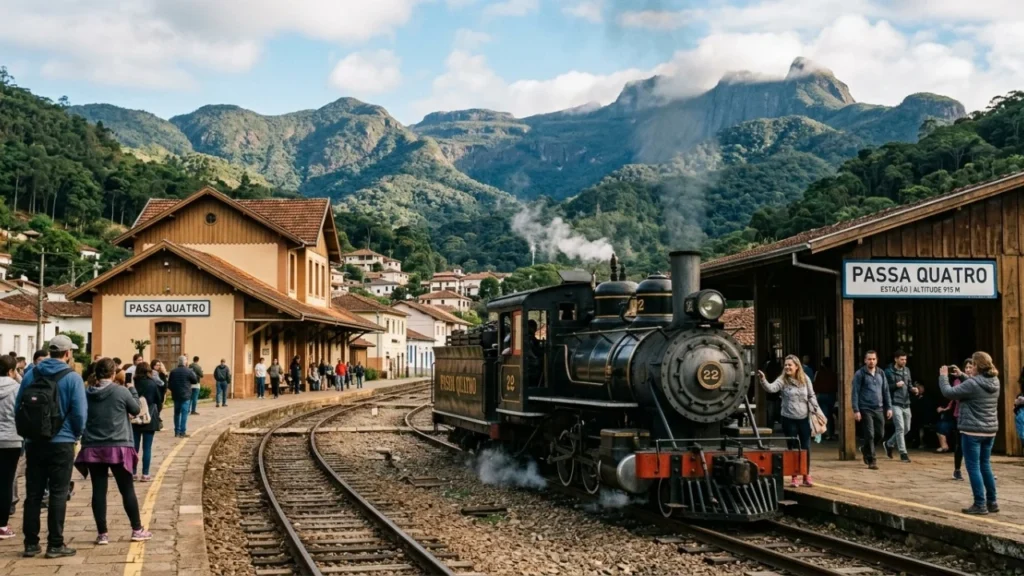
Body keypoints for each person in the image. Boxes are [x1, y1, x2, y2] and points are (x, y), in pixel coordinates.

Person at [14, 334, 87, 558]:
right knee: (58, 493)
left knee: (33, 494)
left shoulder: (31, 374)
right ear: (67, 354)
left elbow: (19, 406)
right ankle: (55, 544)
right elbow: (79, 413)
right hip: (62, 442)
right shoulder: (72, 378)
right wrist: (75, 434)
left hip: (35, 442)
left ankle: (30, 543)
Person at [73, 358, 151, 544]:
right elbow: (136, 409)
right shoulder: (121, 391)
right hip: (118, 445)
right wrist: (131, 388)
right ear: (113, 373)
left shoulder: (86, 393)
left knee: (98, 491)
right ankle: (137, 529)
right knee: (126, 490)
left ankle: (102, 534)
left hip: (93, 446)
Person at [939, 352, 1000, 515]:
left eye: (972, 365)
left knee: (973, 467)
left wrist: (943, 377)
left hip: (972, 431)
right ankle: (992, 502)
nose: (970, 367)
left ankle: (980, 504)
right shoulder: (995, 381)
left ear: (977, 366)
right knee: (985, 465)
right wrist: (962, 375)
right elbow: (976, 385)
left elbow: (948, 392)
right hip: (990, 431)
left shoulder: (972, 384)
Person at [758, 354, 823, 487]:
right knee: (792, 447)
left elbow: (811, 395)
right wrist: (763, 380)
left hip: (804, 418)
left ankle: (806, 474)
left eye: (790, 365)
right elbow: (771, 388)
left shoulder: (805, 379)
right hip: (788, 418)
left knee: (806, 447)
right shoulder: (782, 380)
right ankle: (794, 476)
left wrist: (816, 410)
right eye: (786, 365)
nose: (787, 367)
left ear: (797, 366)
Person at [851, 350, 892, 470]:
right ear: (865, 360)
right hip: (865, 407)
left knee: (880, 433)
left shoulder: (881, 373)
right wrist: (856, 409)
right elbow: (855, 393)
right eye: (869, 359)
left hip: (878, 408)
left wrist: (889, 407)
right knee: (870, 434)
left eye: (873, 359)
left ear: (877, 360)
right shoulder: (860, 374)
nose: (871, 361)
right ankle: (872, 459)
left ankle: (865, 449)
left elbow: (886, 391)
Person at [0, 355, 23, 539]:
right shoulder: (17, 388)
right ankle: (2, 524)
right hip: (11, 439)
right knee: (6, 482)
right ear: (10, 371)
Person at [884, 350, 916, 463]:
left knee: (907, 428)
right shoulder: (888, 372)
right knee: (900, 428)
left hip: (906, 402)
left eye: (905, 359)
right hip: (894, 402)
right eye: (902, 359)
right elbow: (885, 388)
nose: (904, 361)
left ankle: (889, 443)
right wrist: (895, 385)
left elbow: (909, 384)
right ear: (896, 359)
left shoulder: (907, 370)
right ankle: (903, 453)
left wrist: (913, 389)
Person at [131, 362, 162, 482]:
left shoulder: (133, 384)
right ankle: (145, 474)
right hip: (149, 418)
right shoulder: (152, 384)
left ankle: (133, 472)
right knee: (147, 447)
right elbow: (158, 401)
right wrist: (156, 412)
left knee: (134, 447)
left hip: (135, 418)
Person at [168, 356, 198, 438]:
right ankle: (182, 432)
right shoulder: (188, 371)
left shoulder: (173, 371)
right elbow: (195, 380)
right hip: (186, 395)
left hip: (176, 395)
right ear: (185, 362)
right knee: (184, 413)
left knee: (176, 413)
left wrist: (174, 390)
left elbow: (169, 384)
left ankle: (176, 432)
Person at [813, 358, 838, 440]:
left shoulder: (819, 373)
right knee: (829, 415)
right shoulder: (834, 374)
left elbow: (815, 384)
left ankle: (823, 432)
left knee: (822, 414)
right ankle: (830, 433)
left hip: (821, 395)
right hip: (831, 395)